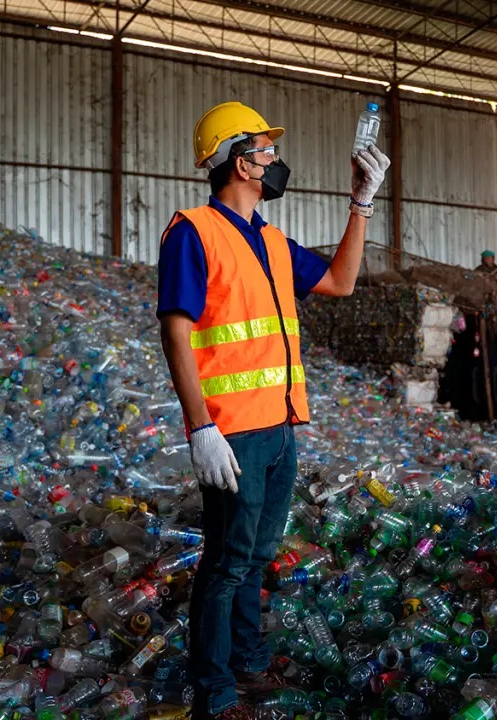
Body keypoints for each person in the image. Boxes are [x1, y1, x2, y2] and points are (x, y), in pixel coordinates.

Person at [156, 101, 390, 720]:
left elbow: (341, 282)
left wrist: (361, 204)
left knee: (256, 557)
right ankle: (216, 692)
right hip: (233, 432)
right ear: (241, 161)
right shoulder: (193, 231)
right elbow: (176, 332)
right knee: (227, 564)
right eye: (268, 151)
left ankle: (249, 664)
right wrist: (200, 427)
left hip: (281, 426)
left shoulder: (273, 242)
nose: (276, 162)